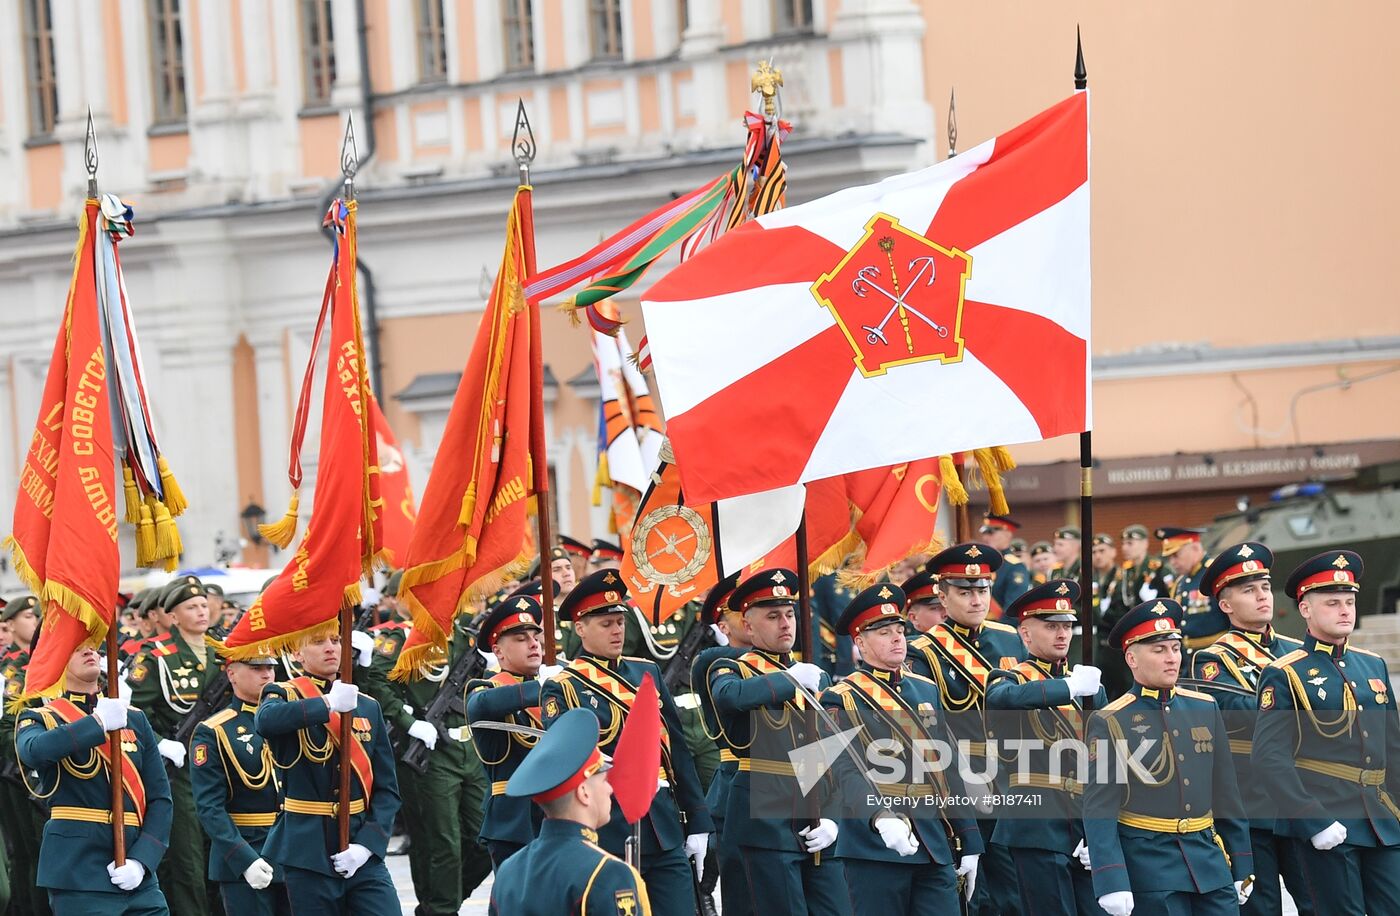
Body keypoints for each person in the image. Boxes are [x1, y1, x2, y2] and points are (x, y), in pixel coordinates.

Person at [540, 569, 712, 916]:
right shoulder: (564, 686)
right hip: (608, 829)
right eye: (606, 624)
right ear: (580, 628)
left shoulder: (647, 672)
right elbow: (568, 760)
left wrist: (698, 821)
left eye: (620, 621)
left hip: (663, 825)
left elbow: (677, 750)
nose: (617, 630)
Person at [1252, 550, 1400, 915]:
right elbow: (1270, 759)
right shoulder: (1285, 673)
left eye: (1349, 602)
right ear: (1305, 609)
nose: (1345, 611)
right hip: (1328, 820)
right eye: (1332, 603)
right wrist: (1312, 820)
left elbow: (1393, 747)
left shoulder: (1372, 664)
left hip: (1381, 818)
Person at [1084, 599, 1254, 916]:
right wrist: (1111, 879)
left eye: (1175, 648)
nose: (1172, 658)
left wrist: (1242, 863)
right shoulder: (1110, 720)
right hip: (1150, 869)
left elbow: (1227, 794)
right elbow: (1099, 808)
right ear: (1132, 658)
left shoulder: (1204, 707)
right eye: (1159, 650)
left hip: (1209, 863)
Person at [823, 584, 984, 914]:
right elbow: (844, 771)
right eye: (884, 633)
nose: (897, 639)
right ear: (860, 643)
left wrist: (969, 838)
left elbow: (947, 766)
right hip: (874, 845)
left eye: (899, 630)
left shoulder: (925, 689)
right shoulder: (842, 698)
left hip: (933, 840)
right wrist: (880, 818)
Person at [706, 569, 852, 915]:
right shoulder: (730, 668)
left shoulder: (815, 675)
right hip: (764, 820)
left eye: (789, 614)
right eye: (773, 616)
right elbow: (729, 697)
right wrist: (788, 680)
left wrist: (834, 818)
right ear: (748, 625)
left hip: (815, 814)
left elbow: (833, 753)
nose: (786, 623)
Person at [1189, 542, 1311, 915]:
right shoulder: (1212, 660)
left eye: (1265, 587)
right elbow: (1242, 714)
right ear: (1225, 605)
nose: (1262, 596)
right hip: (1252, 804)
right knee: (1262, 907)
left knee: (1319, 901)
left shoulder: (1299, 649)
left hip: (1303, 798)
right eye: (1248, 590)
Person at [904, 543, 1025, 916]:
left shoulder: (1009, 637)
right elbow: (929, 729)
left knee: (1019, 891)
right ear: (942, 596)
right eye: (964, 592)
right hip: (963, 782)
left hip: (1015, 777)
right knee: (977, 895)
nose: (976, 600)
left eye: (983, 590)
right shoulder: (922, 651)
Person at [17, 641, 173, 915]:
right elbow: (34, 751)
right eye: (76, 646)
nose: (89, 651)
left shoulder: (134, 719)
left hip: (138, 874)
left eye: (93, 645)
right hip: (79, 872)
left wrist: (142, 860)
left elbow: (160, 798)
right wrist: (98, 723)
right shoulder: (41, 718)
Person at [359, 594, 492, 915]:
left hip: (469, 750)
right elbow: (375, 680)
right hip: (431, 752)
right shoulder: (404, 637)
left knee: (484, 838)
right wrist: (409, 722)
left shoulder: (467, 639)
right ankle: (442, 908)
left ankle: (439, 905)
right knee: (441, 842)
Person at [254, 629, 401, 914]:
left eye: (336, 640)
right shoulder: (283, 694)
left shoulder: (367, 706)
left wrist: (367, 846)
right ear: (297, 654)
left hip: (360, 847)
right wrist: (328, 704)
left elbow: (387, 789)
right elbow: (266, 721)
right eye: (318, 641)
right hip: (307, 851)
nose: (331, 648)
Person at [985, 580, 1105, 916]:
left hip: (1083, 821)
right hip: (1037, 824)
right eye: (1051, 626)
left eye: (1066, 626)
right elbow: (1003, 700)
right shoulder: (1009, 679)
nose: (1062, 634)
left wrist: (1101, 829)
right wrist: (1068, 687)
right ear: (1025, 634)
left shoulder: (1090, 687)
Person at [488, 707, 650, 915]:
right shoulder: (608, 873)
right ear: (583, 793)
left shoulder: (509, 870)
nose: (610, 789)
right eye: (604, 781)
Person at [127, 575, 221, 916]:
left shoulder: (223, 652)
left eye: (203, 605)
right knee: (188, 858)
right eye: (191, 607)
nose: (201, 611)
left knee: (221, 850)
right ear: (173, 616)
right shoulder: (156, 657)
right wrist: (159, 744)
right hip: (181, 770)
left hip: (222, 764)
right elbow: (132, 712)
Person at [189, 654, 289, 915]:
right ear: (231, 674)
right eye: (256, 668)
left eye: (270, 668)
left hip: (293, 850)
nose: (267, 675)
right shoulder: (214, 731)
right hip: (247, 851)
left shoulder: (289, 720)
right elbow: (210, 807)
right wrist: (243, 858)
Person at [465, 592, 549, 868]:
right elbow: (484, 704)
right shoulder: (486, 690)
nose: (533, 644)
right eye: (521, 639)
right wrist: (544, 687)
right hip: (515, 819)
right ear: (499, 651)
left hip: (557, 814)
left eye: (535, 637)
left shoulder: (556, 691)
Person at [689, 575, 746, 916]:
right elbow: (731, 695)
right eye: (741, 611)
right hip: (736, 774)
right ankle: (704, 889)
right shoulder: (715, 660)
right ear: (723, 625)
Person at [0, 595, 45, 916]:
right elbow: (7, 728)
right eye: (28, 617)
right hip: (20, 774)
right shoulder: (14, 671)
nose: (34, 622)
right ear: (11, 624)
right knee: (29, 852)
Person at [1157, 526, 1227, 652]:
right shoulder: (1179, 582)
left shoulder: (1216, 573)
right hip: (1188, 656)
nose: (1172, 562)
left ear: (1195, 548)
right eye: (1169, 557)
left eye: (1176, 555)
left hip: (1217, 653)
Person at [980, 514, 1032, 615]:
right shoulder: (982, 563)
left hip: (999, 624)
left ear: (1007, 534)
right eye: (984, 533)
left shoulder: (1015, 566)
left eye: (991, 533)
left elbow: (1013, 612)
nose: (985, 537)